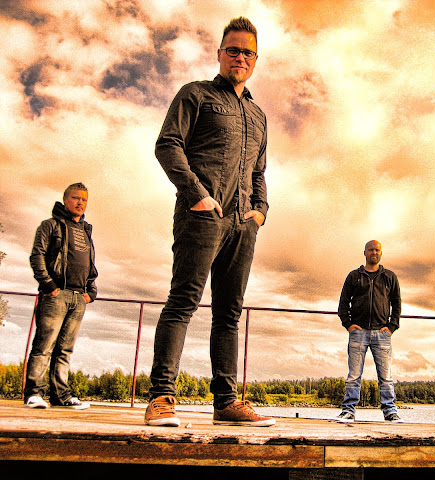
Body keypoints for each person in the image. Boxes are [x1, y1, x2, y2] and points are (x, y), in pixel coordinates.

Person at [145, 17, 274, 428]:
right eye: (233, 49)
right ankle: (161, 397)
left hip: (242, 224)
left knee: (229, 314)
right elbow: (168, 145)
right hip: (202, 217)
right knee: (183, 302)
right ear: (220, 53)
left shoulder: (258, 115)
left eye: (248, 52)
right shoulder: (195, 94)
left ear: (256, 60)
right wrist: (197, 194)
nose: (240, 57)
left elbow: (259, 170)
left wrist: (260, 211)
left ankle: (226, 402)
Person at [25, 182, 97, 410]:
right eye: (76, 198)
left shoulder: (86, 231)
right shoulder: (50, 225)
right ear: (65, 200)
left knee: (65, 350)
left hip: (78, 298)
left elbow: (90, 265)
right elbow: (37, 255)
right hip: (56, 295)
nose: (80, 202)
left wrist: (91, 291)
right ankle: (34, 393)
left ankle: (61, 396)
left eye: (84, 199)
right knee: (44, 345)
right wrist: (49, 285)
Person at [336, 240, 403, 423]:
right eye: (371, 250)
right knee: (354, 375)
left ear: (381, 253)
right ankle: (348, 411)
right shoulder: (354, 276)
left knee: (386, 376)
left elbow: (397, 304)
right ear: (365, 252)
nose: (374, 252)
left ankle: (390, 412)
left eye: (377, 250)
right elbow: (343, 303)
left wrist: (391, 327)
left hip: (382, 334)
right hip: (358, 332)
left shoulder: (389, 277)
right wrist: (349, 325)